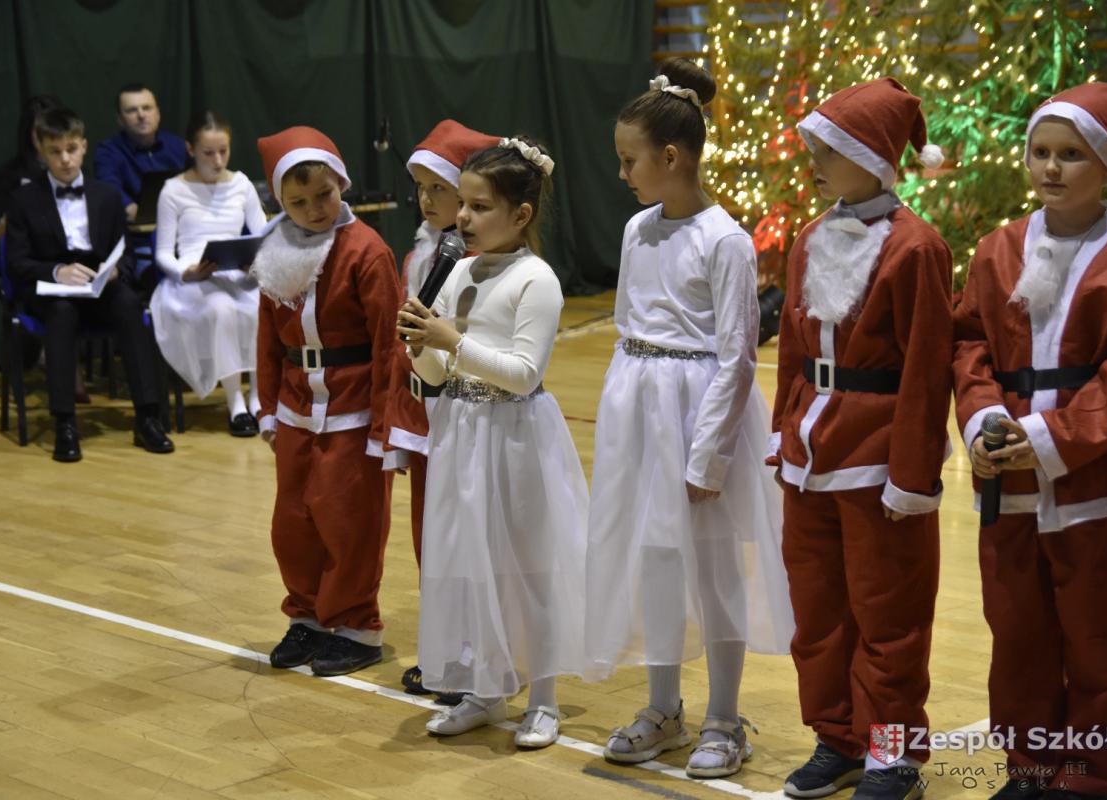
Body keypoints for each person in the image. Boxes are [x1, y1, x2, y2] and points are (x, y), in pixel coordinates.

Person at [585, 58, 793, 780]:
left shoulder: (725, 240)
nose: (622, 174)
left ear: (671, 158)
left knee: (714, 568)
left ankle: (725, 718)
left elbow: (736, 357)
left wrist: (707, 456)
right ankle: (664, 709)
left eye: (629, 161)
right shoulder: (637, 230)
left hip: (698, 416)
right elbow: (628, 325)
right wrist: (624, 415)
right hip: (640, 414)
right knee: (656, 561)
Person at [769, 79, 953, 800]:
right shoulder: (811, 237)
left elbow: (927, 369)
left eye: (828, 151)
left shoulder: (917, 248)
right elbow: (793, 351)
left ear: (872, 157)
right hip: (808, 456)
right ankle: (839, 738)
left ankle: (891, 755)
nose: (813, 163)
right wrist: (783, 432)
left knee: (889, 616)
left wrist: (913, 474)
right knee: (817, 611)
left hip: (877, 461)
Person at [953, 82, 1107, 800]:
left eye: (1071, 154)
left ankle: (1086, 778)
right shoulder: (998, 248)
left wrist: (1050, 436)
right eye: (1040, 152)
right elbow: (969, 345)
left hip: (1092, 481)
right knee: (1019, 633)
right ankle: (1028, 768)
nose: (1051, 168)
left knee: (1096, 638)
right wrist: (982, 423)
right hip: (1010, 480)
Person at [397, 136, 588, 749]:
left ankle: (545, 700)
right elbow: (437, 374)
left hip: (516, 433)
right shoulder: (456, 272)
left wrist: (450, 340)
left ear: (521, 214)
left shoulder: (537, 279)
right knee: (470, 564)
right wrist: (419, 346)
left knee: (528, 567)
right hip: (461, 431)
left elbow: (523, 373)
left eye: (479, 207)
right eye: (463, 205)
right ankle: (484, 687)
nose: (462, 218)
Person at [252, 126, 401, 677]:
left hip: (353, 411)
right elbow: (267, 337)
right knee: (294, 520)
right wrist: (267, 406)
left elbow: (388, 344)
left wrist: (386, 423)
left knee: (349, 520)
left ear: (341, 182)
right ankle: (308, 617)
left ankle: (357, 626)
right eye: (299, 202)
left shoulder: (368, 251)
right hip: (295, 409)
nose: (315, 209)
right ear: (280, 202)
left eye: (324, 194)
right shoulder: (276, 249)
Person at [382, 119, 499, 699]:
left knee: (474, 538)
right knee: (432, 538)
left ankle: (481, 652)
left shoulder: (489, 264)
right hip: (427, 417)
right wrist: (400, 425)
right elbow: (404, 347)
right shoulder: (420, 255)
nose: (426, 200)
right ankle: (446, 650)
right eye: (421, 188)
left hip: (474, 414)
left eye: (440, 189)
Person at [4, 107, 173, 462]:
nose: (65, 159)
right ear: (42, 152)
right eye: (55, 152)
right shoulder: (23, 199)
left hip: (98, 286)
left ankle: (147, 417)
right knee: (62, 312)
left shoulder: (106, 195)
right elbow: (17, 263)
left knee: (129, 303)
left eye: (71, 149)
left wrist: (116, 271)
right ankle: (65, 423)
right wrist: (56, 272)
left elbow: (126, 252)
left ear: (83, 147)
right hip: (52, 291)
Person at [150, 110, 268, 436]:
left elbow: (263, 234)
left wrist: (255, 262)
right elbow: (163, 252)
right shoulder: (173, 190)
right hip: (194, 278)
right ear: (190, 150)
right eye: (208, 153)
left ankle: (259, 397)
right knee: (221, 308)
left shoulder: (241, 184)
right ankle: (235, 402)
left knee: (262, 305)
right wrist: (185, 272)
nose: (217, 161)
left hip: (235, 273)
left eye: (223, 151)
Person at [94, 83, 188, 221]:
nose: (141, 115)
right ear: (120, 119)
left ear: (158, 114)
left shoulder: (178, 146)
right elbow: (111, 192)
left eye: (147, 108)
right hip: (136, 230)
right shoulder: (108, 152)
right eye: (132, 110)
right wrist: (137, 213)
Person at [0, 94, 62, 241]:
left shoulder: (72, 169)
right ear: (29, 132)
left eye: (51, 128)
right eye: (39, 130)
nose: (46, 136)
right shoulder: (9, 174)